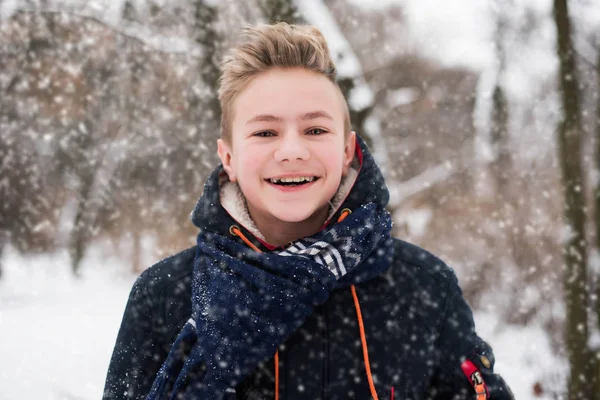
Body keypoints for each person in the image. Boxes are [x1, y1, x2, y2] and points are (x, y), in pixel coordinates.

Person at [103, 23, 514, 400]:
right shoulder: (165, 296)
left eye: (315, 130)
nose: (293, 150)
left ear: (347, 150)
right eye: (265, 132)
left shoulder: (422, 288)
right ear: (228, 157)